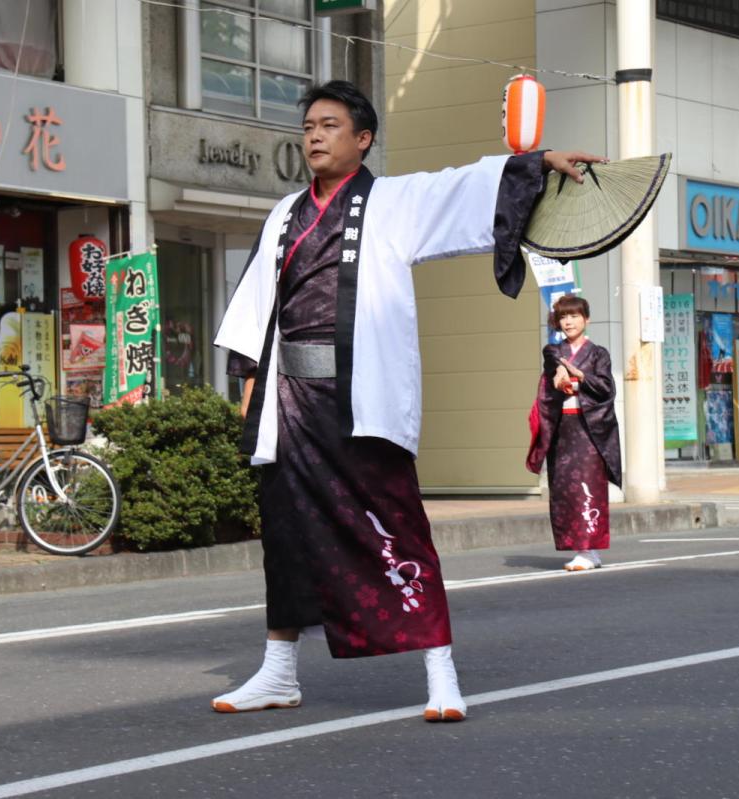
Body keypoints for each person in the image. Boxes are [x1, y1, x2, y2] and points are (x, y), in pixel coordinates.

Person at [213, 79, 603, 722]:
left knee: (396, 528)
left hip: (360, 399)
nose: (315, 136)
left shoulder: (393, 201)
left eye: (330, 125)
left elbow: (463, 186)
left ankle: (441, 671)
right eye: (309, 126)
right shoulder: (283, 214)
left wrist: (535, 164)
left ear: (363, 139)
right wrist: (251, 382)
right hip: (290, 402)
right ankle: (278, 672)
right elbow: (256, 304)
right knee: (285, 536)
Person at [525, 295, 622, 571]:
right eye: (563, 317)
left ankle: (588, 550)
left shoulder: (599, 353)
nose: (568, 322)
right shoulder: (553, 350)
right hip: (562, 429)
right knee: (564, 489)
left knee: (587, 486)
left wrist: (580, 377)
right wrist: (561, 371)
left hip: (589, 429)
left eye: (574, 316)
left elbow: (606, 388)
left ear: (586, 319)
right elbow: (553, 364)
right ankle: (583, 549)